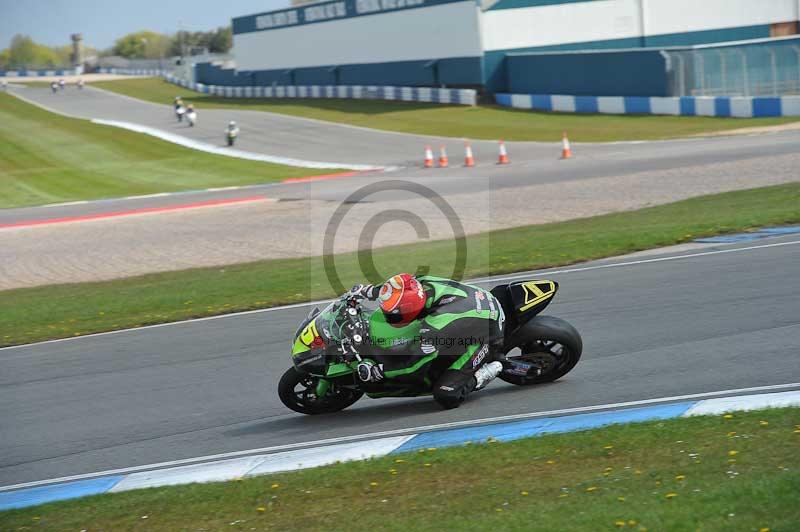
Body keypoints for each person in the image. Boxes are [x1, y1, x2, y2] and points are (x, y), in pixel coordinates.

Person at [348, 273, 505, 408]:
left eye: (394, 314)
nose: (389, 317)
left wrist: (380, 371)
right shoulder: (418, 284)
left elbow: (415, 364)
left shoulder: (436, 325)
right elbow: (396, 287)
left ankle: (484, 373)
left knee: (446, 394)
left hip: (487, 335)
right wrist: (367, 291)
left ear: (410, 307)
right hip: (479, 303)